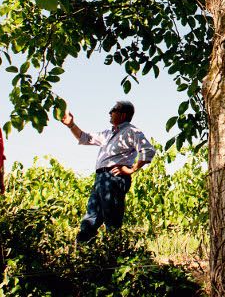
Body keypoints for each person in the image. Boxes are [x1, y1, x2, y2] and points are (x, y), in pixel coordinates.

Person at [60, 100, 155, 242]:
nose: (110, 113)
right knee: (91, 216)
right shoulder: (107, 134)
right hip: (101, 178)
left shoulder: (131, 131)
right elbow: (85, 138)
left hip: (114, 178)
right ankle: (83, 252)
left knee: (112, 218)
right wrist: (71, 125)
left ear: (123, 115)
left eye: (113, 110)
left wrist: (131, 170)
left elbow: (148, 150)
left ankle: (116, 254)